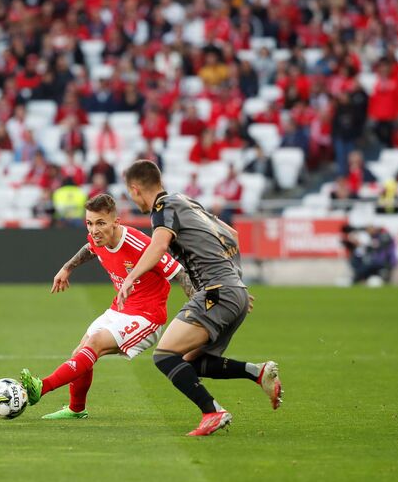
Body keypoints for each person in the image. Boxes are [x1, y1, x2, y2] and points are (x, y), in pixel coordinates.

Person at [119, 160, 281, 436]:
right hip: (231, 291)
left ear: (135, 190)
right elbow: (231, 235)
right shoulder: (185, 200)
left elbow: (158, 245)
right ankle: (257, 372)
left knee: (164, 355)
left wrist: (131, 277)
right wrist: (236, 282)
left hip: (216, 292)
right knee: (189, 361)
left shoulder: (162, 207)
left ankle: (213, 411)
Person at [16, 193, 194, 419]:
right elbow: (89, 248)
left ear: (116, 222)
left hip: (147, 316)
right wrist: (67, 268)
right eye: (89, 223)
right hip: (119, 309)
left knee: (95, 343)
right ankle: (76, 409)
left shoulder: (140, 244)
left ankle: (42, 387)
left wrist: (200, 306)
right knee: (80, 353)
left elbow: (178, 272)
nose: (94, 230)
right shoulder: (97, 237)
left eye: (100, 223)